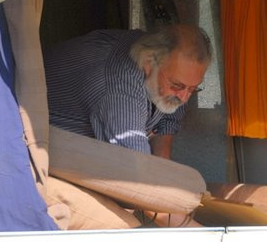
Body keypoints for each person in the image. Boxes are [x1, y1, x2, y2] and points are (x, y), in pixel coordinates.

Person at [44, 24, 212, 160]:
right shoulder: (120, 91)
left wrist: (162, 162)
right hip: (42, 144)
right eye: (177, 86)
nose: (184, 97)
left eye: (193, 89)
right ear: (148, 64)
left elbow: (170, 115)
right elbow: (135, 171)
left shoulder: (166, 69)